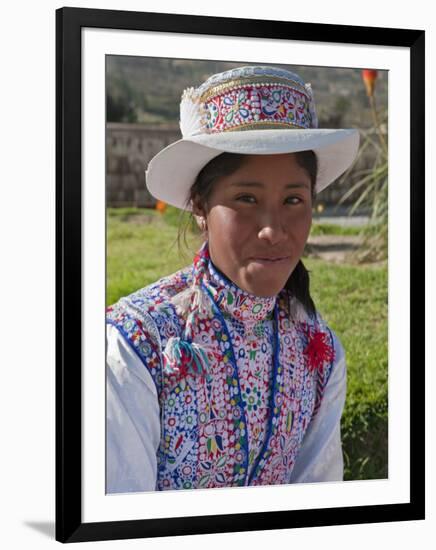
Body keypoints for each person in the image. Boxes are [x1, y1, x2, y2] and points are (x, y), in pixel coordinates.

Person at [106, 65, 360, 493]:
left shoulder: (320, 353)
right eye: (246, 198)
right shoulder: (135, 346)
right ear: (201, 206)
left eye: (294, 199)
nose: (273, 230)